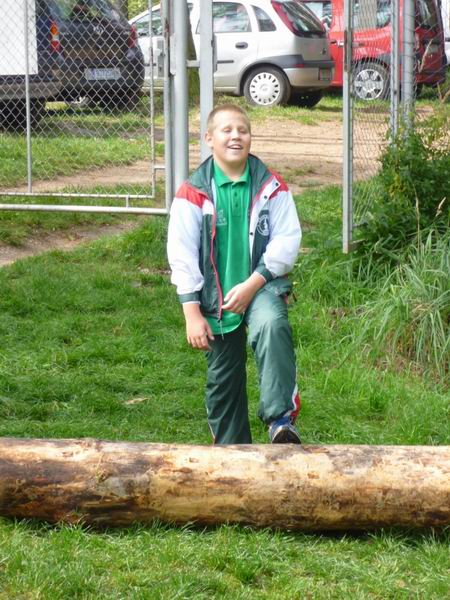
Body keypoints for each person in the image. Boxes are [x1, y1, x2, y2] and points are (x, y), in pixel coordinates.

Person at [167, 104, 302, 445]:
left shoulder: (271, 186)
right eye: (226, 130)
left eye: (242, 130)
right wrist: (192, 313)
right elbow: (182, 254)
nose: (235, 136)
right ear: (209, 138)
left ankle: (281, 421)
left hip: (260, 286)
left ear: (250, 138)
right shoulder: (193, 193)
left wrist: (252, 285)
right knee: (223, 380)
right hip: (218, 298)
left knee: (271, 325)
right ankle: (233, 452)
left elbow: (287, 241)